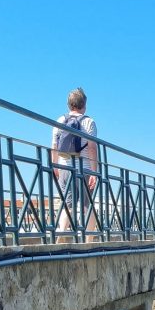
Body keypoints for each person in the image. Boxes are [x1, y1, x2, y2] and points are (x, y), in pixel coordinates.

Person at [51, 87, 98, 237]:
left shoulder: (60, 121)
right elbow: (92, 147)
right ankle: (88, 239)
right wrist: (94, 171)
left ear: (69, 104)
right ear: (84, 104)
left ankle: (61, 235)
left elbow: (54, 146)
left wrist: (55, 166)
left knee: (67, 205)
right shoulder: (89, 122)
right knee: (87, 205)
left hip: (65, 168)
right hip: (84, 169)